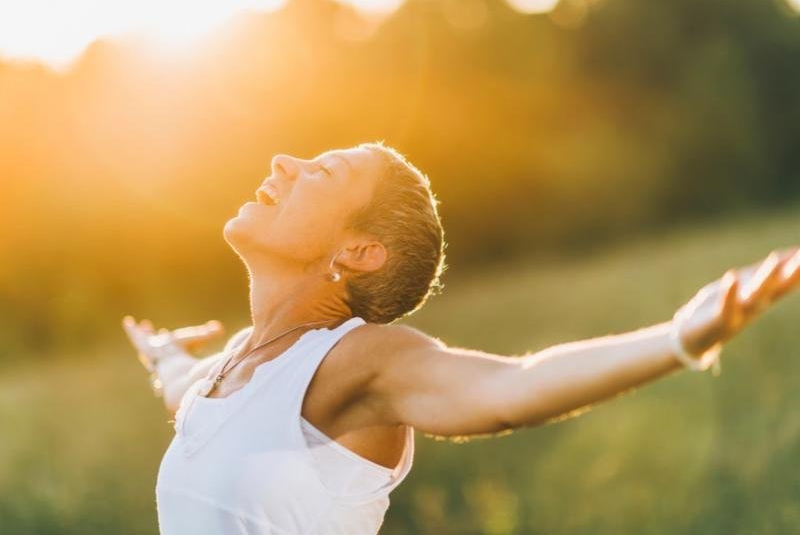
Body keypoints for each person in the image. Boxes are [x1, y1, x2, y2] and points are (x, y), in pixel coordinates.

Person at [123, 141, 800, 534]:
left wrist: (680, 339)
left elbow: (510, 389)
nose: (282, 162)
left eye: (320, 173)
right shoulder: (235, 366)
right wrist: (163, 354)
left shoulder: (355, 359)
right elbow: (184, 391)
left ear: (358, 251)